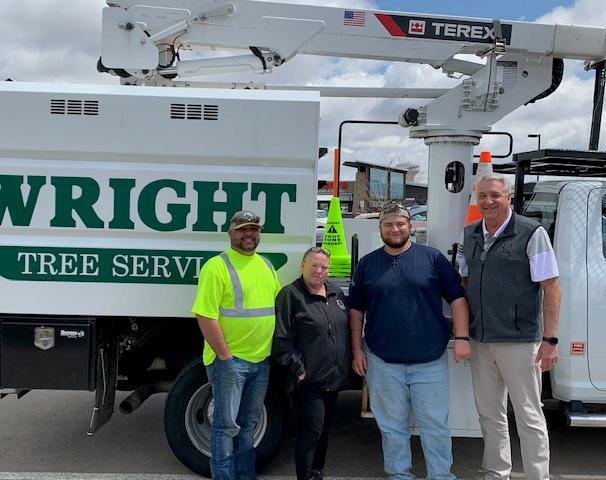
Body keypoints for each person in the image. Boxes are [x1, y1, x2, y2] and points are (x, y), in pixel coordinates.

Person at [349, 203, 471, 480]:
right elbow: (356, 310)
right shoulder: (367, 264)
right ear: (380, 228)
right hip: (382, 362)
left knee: (435, 427)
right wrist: (356, 350)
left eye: (400, 224)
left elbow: (457, 298)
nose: (395, 229)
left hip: (429, 362)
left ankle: (441, 476)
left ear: (410, 226)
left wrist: (462, 337)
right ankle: (399, 475)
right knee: (392, 428)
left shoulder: (432, 258)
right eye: (388, 224)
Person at [458, 173, 561, 480]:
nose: (488, 201)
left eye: (495, 195)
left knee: (529, 415)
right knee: (489, 414)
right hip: (481, 340)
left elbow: (551, 286)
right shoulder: (470, 234)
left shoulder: (531, 232)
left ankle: (537, 476)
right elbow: (464, 281)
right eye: (482, 196)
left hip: (520, 341)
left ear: (508, 198)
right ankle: (496, 472)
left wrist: (550, 340)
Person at [191, 210, 281, 480]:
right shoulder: (216, 266)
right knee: (225, 426)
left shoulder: (266, 265)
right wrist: (225, 357)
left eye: (254, 229)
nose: (249, 234)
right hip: (231, 362)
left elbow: (275, 306)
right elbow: (205, 315)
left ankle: (246, 475)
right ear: (230, 233)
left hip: (260, 360)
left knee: (248, 424)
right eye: (242, 230)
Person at [272, 247, 351, 480]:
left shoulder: (336, 293)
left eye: (324, 267)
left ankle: (317, 473)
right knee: (311, 432)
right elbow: (281, 338)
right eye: (314, 265)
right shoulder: (290, 295)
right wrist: (299, 369)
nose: (319, 271)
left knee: (324, 431)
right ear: (302, 266)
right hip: (309, 381)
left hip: (333, 379)